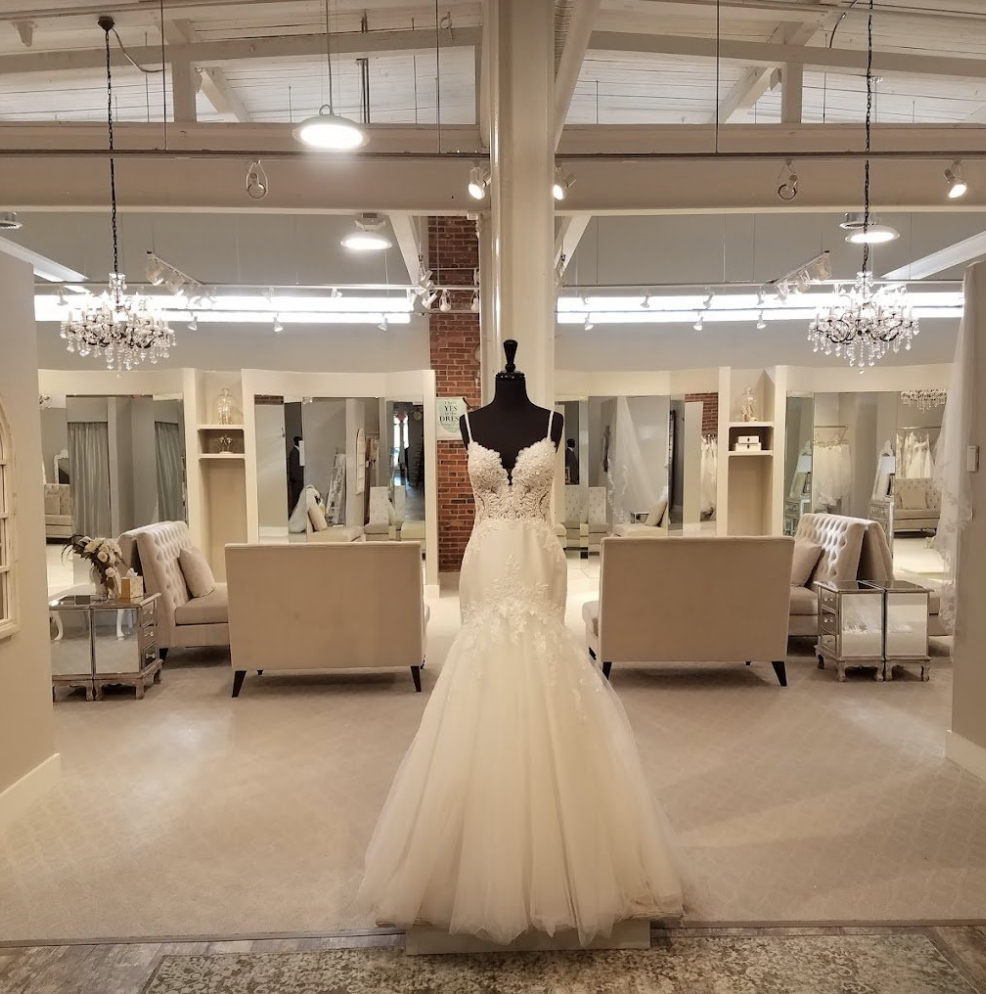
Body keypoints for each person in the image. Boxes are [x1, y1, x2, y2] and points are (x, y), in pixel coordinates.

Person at [359, 341, 682, 945]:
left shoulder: (554, 421)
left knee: (544, 671)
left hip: (537, 558)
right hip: (488, 556)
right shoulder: (470, 421)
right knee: (483, 676)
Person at [287, 435, 304, 514]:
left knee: (299, 497)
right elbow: (293, 466)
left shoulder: (299, 451)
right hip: (297, 479)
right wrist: (294, 478)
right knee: (296, 498)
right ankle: (295, 514)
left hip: (299, 478)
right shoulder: (294, 452)